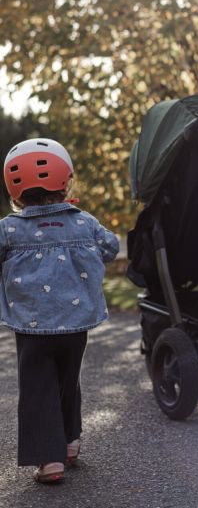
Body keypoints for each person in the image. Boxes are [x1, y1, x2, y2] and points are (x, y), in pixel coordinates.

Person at [0, 138, 119, 482]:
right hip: (75, 326)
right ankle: (70, 443)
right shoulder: (84, 223)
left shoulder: (9, 229)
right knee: (68, 382)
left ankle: (49, 463)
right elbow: (110, 248)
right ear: (66, 183)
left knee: (39, 389)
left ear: (15, 192)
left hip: (32, 329)